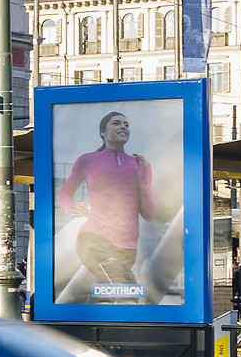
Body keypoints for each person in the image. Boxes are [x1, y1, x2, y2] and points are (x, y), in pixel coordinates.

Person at [54, 112, 178, 306]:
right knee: (127, 293)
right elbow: (64, 192)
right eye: (117, 123)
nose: (123, 127)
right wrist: (71, 208)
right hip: (94, 239)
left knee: (107, 295)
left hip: (128, 248)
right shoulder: (88, 160)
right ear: (103, 132)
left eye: (126, 124)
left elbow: (149, 213)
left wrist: (144, 176)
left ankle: (88, 332)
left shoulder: (139, 164)